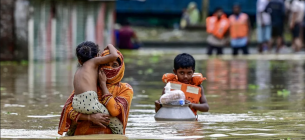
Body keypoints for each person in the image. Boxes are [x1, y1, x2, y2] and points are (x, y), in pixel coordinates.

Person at [58, 48, 134, 136]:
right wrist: (90, 117)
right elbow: (68, 111)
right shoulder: (89, 85)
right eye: (105, 64)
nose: (109, 68)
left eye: (114, 65)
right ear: (99, 65)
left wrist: (103, 85)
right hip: (81, 136)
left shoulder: (125, 89)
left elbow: (115, 111)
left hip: (109, 137)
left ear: (120, 68)